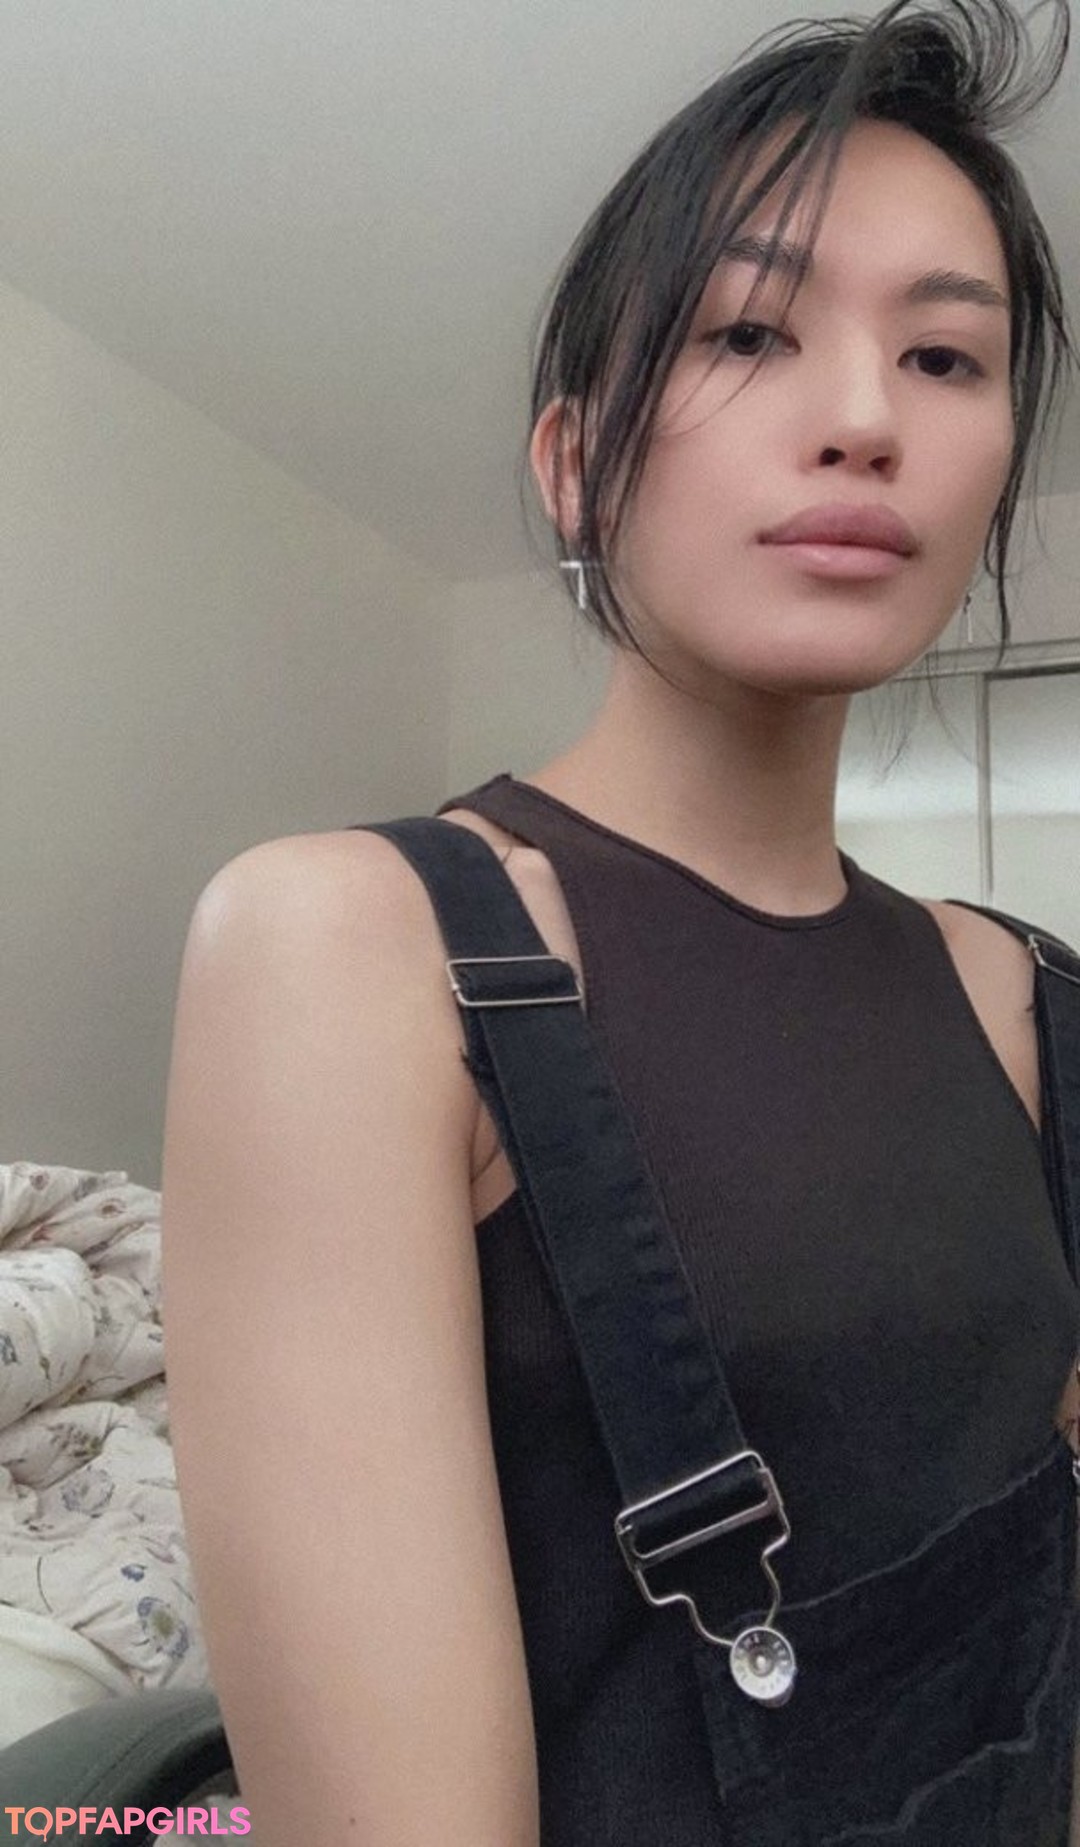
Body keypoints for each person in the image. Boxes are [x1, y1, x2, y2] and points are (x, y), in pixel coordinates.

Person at [159, 0, 1080, 1841]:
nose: (864, 420)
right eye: (748, 332)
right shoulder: (357, 947)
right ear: (576, 465)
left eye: (945, 358)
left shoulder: (1030, 990)